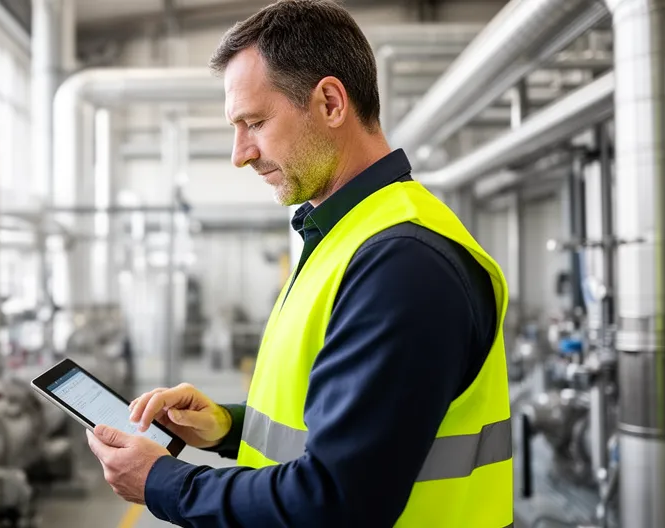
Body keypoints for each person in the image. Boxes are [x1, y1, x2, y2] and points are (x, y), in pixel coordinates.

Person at [84, 1, 513, 526]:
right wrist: (227, 427)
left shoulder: (403, 262)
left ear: (331, 103)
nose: (240, 154)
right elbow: (335, 433)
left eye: (255, 123)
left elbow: (334, 499)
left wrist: (161, 482)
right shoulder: (343, 237)